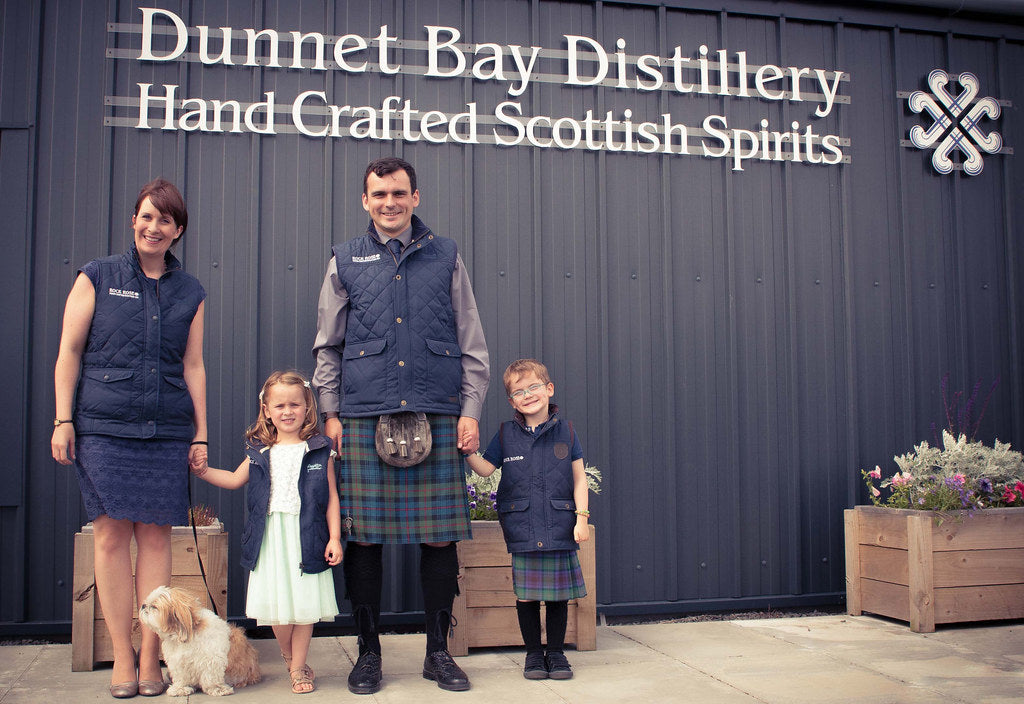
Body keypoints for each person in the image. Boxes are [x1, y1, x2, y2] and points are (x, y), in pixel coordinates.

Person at [312, 156, 489, 694]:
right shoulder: (345, 258)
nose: (389, 202)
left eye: (399, 193)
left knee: (439, 539)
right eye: (379, 194)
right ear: (365, 201)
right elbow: (328, 345)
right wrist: (331, 412)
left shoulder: (447, 255)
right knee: (363, 541)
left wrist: (470, 411)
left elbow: (471, 343)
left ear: (416, 197)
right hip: (365, 414)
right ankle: (368, 655)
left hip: (436, 410)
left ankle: (438, 652)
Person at [51, 178, 207, 699]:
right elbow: (69, 351)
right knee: (111, 537)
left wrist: (200, 433)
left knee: (157, 538)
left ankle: (150, 656)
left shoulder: (191, 292)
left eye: (165, 220)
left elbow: (193, 364)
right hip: (103, 428)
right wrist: (62, 419)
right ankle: (121, 654)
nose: (153, 227)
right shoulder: (97, 275)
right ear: (133, 221)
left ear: (177, 230)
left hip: (165, 430)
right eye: (146, 216)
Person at [190, 370, 342, 695]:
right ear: (267, 410)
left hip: (307, 534)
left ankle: (299, 665)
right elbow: (233, 479)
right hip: (270, 537)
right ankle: (287, 653)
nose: (287, 412)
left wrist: (333, 537)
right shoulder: (260, 450)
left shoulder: (318, 449)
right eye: (280, 406)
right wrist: (203, 472)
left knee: (305, 605)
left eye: (294, 405)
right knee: (277, 604)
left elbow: (331, 497)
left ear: (307, 407)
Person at [464, 358, 590, 681]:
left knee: (559, 595)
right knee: (527, 594)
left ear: (549, 389)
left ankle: (557, 654)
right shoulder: (506, 434)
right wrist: (468, 452)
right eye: (519, 391)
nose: (528, 394)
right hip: (522, 527)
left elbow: (579, 479)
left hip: (560, 526)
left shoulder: (568, 431)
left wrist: (581, 518)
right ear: (511, 401)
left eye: (534, 386)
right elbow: (486, 469)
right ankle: (534, 654)